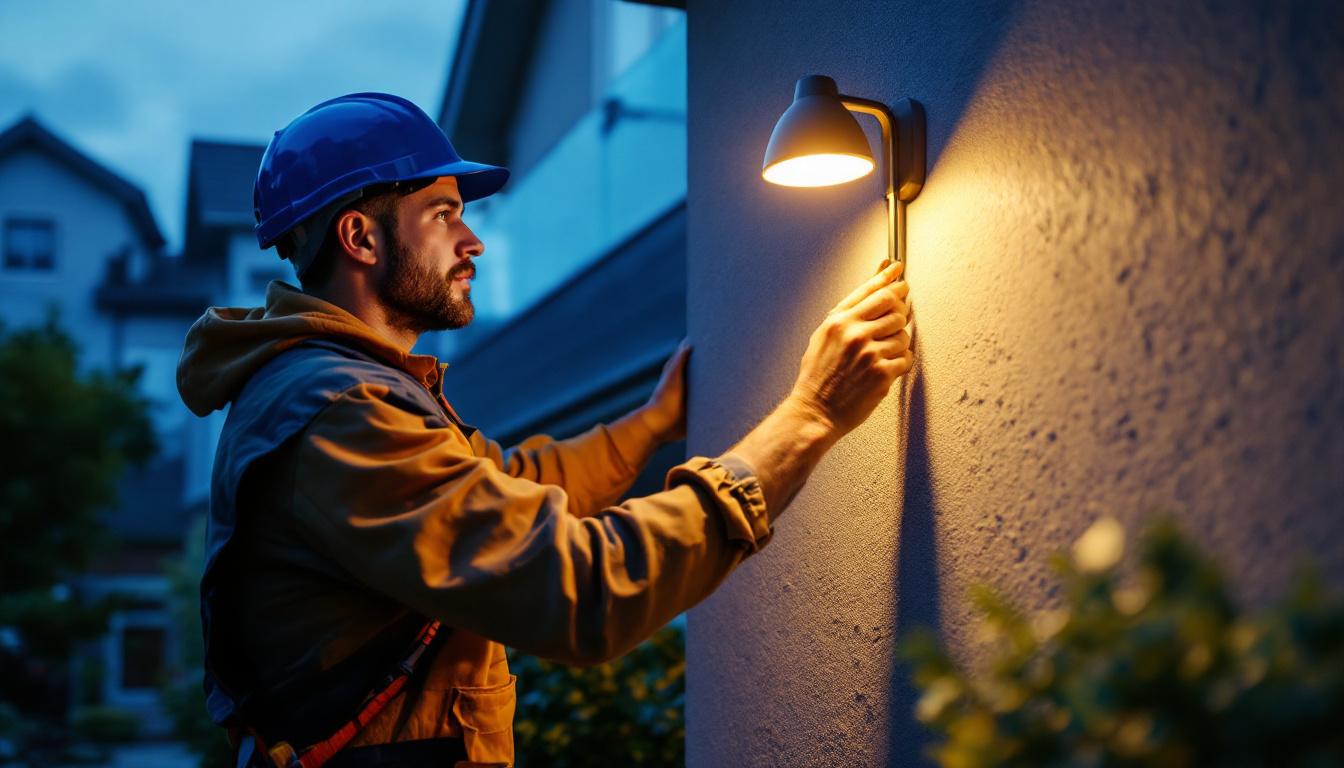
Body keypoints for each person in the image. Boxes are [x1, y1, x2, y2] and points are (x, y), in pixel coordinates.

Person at [176, 92, 912, 768]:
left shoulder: (343, 386)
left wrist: (653, 424)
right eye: (443, 214)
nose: (473, 241)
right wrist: (811, 416)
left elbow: (509, 483)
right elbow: (582, 588)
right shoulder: (341, 411)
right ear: (360, 237)